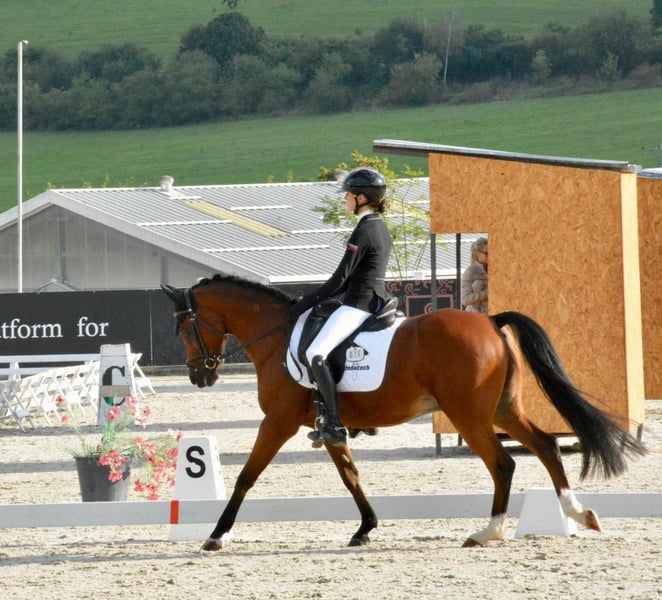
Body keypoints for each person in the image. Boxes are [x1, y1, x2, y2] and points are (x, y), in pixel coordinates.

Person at [288, 167, 394, 447]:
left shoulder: (365, 230)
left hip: (359, 303)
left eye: (348, 195)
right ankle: (356, 416)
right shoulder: (380, 226)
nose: (345, 199)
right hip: (373, 298)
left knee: (315, 353)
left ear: (361, 198)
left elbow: (341, 278)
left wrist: (305, 303)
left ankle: (334, 424)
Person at [461, 237, 488, 313]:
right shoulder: (471, 271)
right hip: (475, 316)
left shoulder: (495, 271)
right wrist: (486, 293)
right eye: (487, 253)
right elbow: (465, 299)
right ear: (477, 254)